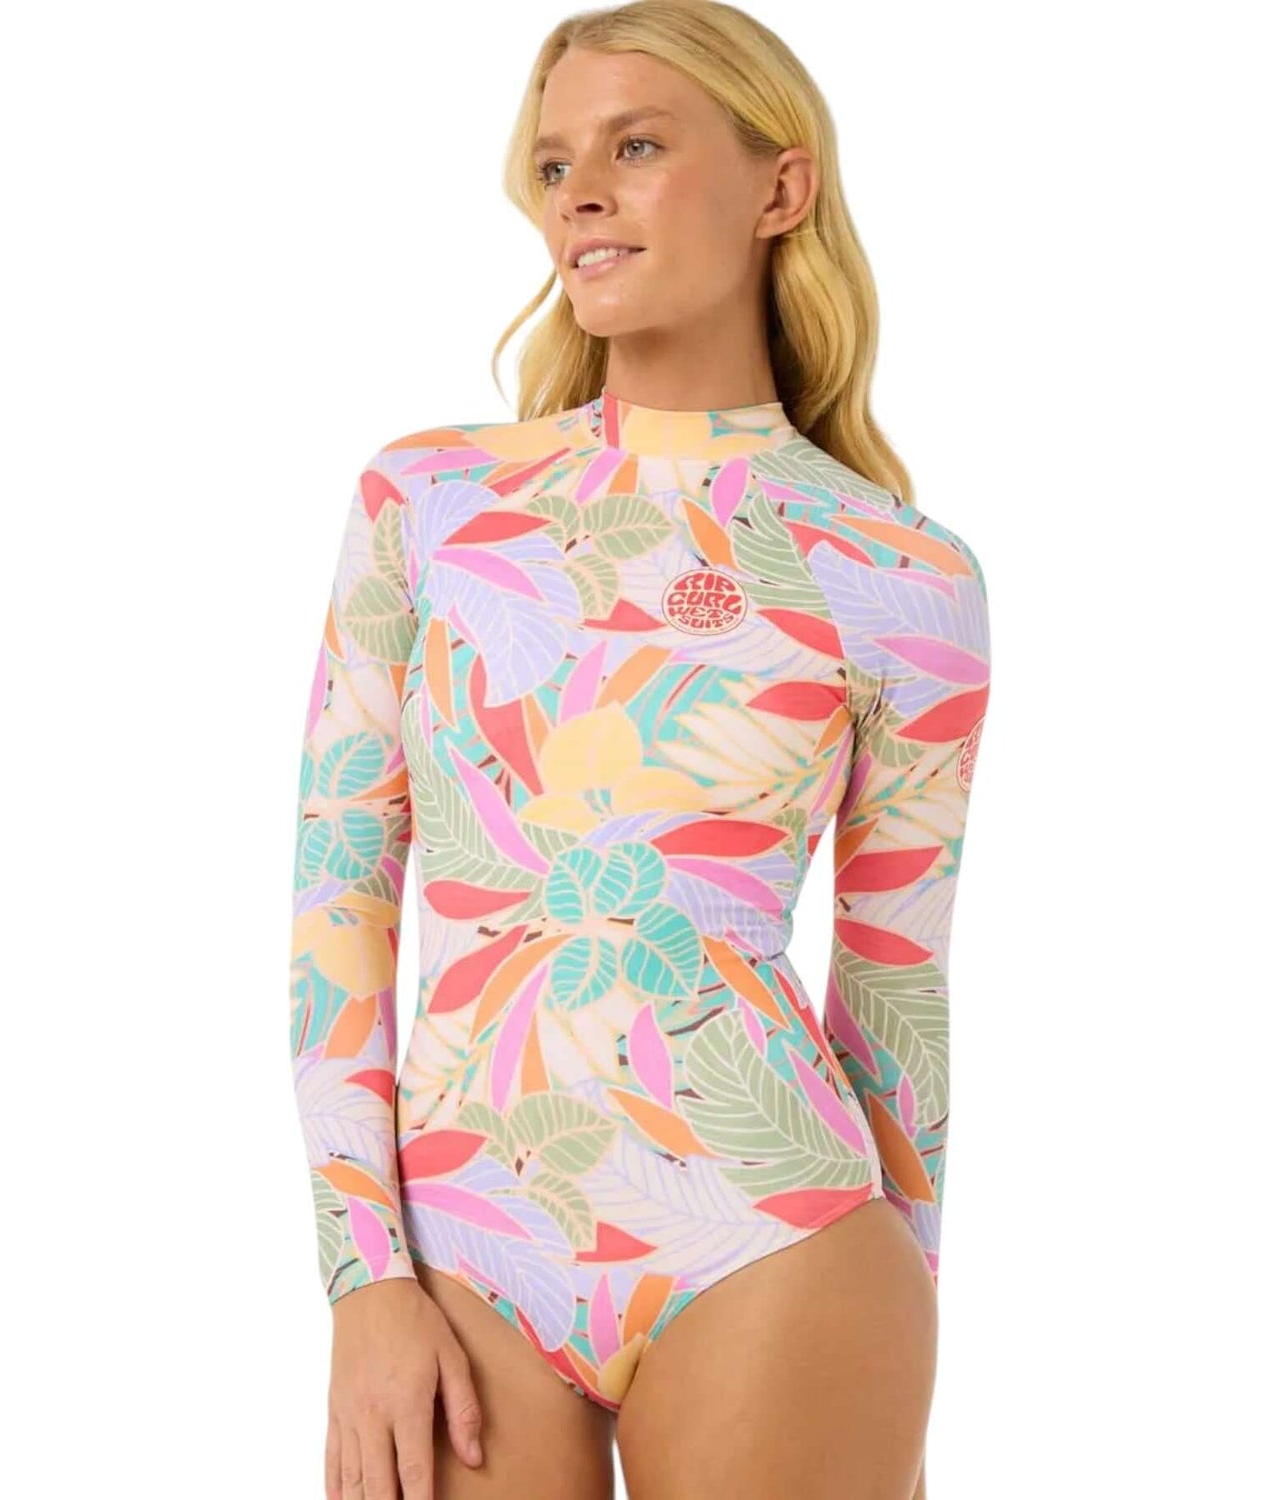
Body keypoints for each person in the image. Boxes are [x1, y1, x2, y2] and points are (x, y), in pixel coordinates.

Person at [287, 3, 991, 1496]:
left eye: (638, 147)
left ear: (780, 189)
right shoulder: (430, 505)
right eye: (556, 166)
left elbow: (894, 985)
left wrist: (906, 1321)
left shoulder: (903, 575)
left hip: (776, 1237)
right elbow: (340, 894)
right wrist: (361, 1279)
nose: (581, 197)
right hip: (463, 1249)